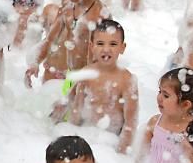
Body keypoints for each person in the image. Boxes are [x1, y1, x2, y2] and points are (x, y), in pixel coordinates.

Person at [54, 19, 139, 154]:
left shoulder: (127, 80)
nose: (106, 49)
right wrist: (68, 131)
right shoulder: (87, 73)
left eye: (113, 44)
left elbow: (131, 122)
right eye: (100, 44)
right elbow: (77, 107)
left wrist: (121, 153)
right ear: (92, 47)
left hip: (110, 141)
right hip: (85, 133)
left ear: (122, 48)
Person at [26, 0, 104, 85]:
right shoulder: (68, 7)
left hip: (75, 81)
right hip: (51, 71)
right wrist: (35, 63)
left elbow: (102, 62)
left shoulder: (99, 17)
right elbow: (50, 39)